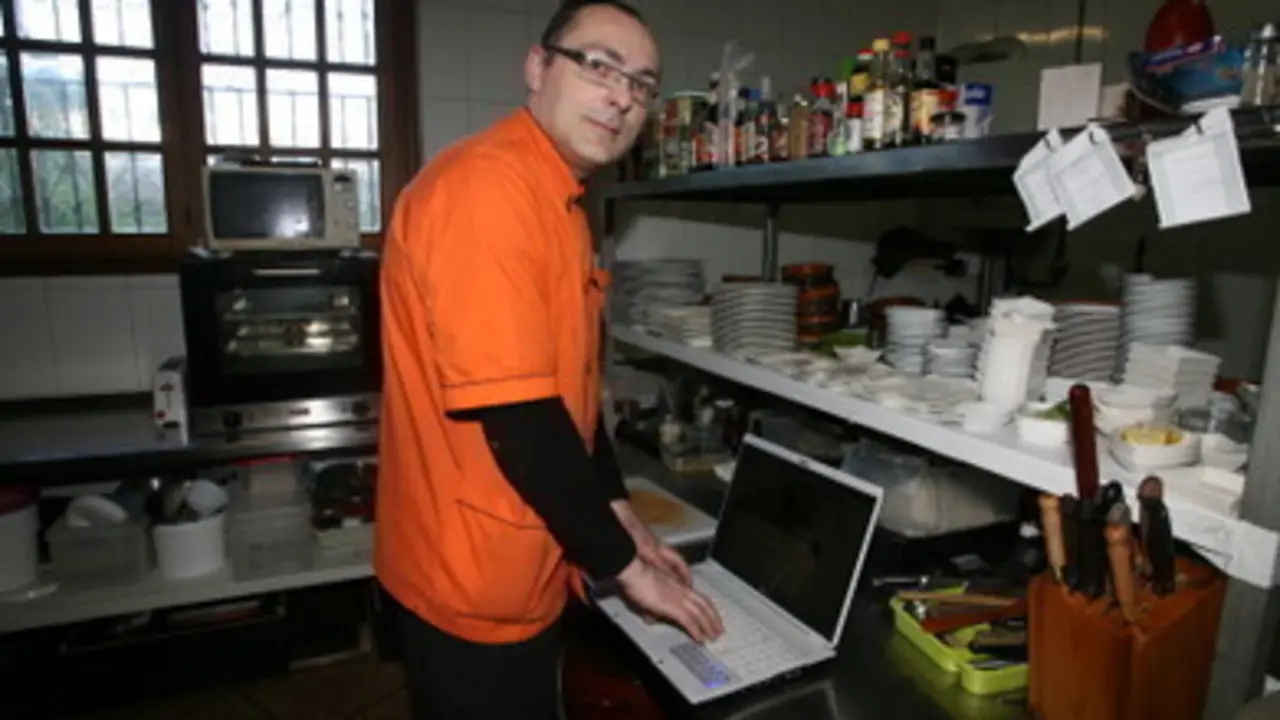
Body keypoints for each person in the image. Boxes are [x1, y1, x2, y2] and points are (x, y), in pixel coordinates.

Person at [375, 1, 724, 717]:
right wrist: (626, 569)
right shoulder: (487, 190)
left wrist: (619, 509)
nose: (623, 96)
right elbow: (520, 414)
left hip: (524, 563)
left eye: (643, 83)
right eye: (600, 66)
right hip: (469, 580)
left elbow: (571, 393)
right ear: (538, 68)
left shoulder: (559, 202)